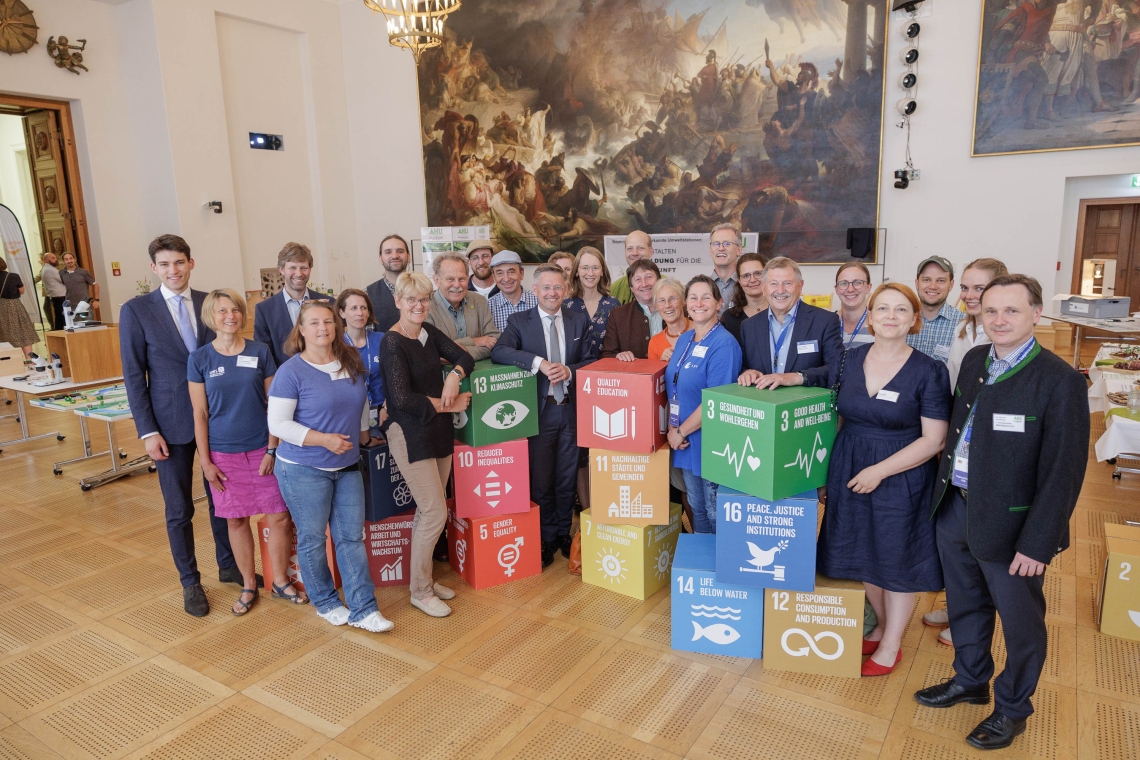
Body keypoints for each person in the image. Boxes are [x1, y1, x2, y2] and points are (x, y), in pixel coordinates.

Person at [914, 275, 1088, 751]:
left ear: (1035, 314)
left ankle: (1012, 708)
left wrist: (1039, 541)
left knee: (1020, 622)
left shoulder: (1060, 381)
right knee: (966, 604)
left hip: (1014, 527)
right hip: (957, 508)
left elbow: (1064, 472)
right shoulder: (974, 360)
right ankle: (970, 681)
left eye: (1011, 311)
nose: (999, 320)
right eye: (990, 311)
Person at [816, 283, 951, 677]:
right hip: (850, 464)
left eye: (901, 310)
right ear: (870, 317)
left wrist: (880, 471)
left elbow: (934, 439)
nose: (891, 317)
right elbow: (838, 417)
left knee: (896, 558)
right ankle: (881, 624)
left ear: (914, 320)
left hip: (901, 474)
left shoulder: (929, 371)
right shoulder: (849, 359)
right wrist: (827, 473)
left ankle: (891, 645)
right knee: (861, 551)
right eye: (883, 309)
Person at [119, 235, 237, 617]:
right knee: (178, 509)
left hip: (217, 421)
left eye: (180, 263)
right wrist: (147, 431)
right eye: (166, 264)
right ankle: (190, 582)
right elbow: (134, 375)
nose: (174, 270)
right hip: (168, 426)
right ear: (154, 268)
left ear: (191, 263)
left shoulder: (210, 303)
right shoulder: (137, 310)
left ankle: (229, 564)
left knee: (223, 500)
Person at [267, 301, 391, 633]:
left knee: (351, 537)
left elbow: (362, 402)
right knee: (312, 538)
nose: (323, 328)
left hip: (348, 464)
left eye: (328, 322)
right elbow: (278, 424)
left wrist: (364, 435)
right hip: (302, 468)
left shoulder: (349, 360)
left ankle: (364, 609)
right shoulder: (290, 372)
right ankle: (326, 602)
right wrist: (324, 440)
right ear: (302, 331)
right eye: (314, 323)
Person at [188, 289, 306, 615]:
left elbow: (274, 406)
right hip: (223, 456)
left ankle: (280, 581)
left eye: (236, 310)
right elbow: (199, 414)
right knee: (236, 522)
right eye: (223, 311)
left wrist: (272, 448)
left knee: (280, 517)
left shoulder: (260, 351)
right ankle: (248, 584)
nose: (230, 316)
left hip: (262, 450)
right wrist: (206, 461)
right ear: (211, 317)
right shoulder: (199, 360)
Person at [380, 272, 475, 617]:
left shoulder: (428, 332)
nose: (418, 305)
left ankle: (424, 579)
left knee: (429, 511)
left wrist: (453, 376)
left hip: (437, 430)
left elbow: (465, 358)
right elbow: (402, 399)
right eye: (411, 300)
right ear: (398, 302)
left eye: (423, 299)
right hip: (409, 433)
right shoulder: (392, 342)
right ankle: (420, 591)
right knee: (434, 511)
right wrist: (448, 403)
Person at [922, 258, 1007, 643]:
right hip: (958, 443)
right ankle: (960, 607)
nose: (971, 296)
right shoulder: (961, 328)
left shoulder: (999, 336)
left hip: (988, 452)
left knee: (982, 543)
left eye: (980, 289)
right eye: (967, 289)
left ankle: (971, 622)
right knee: (954, 539)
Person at [492, 264, 598, 566]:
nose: (552, 293)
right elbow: (500, 351)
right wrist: (538, 362)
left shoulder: (579, 321)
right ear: (535, 290)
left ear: (565, 290)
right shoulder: (518, 321)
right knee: (540, 480)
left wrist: (570, 371)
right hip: (538, 413)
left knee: (566, 479)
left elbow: (591, 361)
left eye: (558, 287)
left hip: (571, 412)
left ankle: (564, 532)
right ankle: (544, 536)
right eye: (546, 288)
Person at [666, 275, 741, 533]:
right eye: (693, 297)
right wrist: (673, 429)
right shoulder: (686, 340)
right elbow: (674, 386)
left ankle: (724, 569)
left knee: (715, 512)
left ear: (719, 303)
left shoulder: (724, 344)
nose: (699, 303)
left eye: (706, 297)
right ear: (686, 304)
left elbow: (716, 400)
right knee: (697, 508)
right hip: (685, 440)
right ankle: (704, 570)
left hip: (710, 443)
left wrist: (680, 432)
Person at [738, 256, 843, 390]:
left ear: (800, 285)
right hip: (763, 407)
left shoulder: (825, 321)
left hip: (804, 407)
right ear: (763, 288)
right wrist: (746, 373)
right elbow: (742, 367)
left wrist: (797, 377)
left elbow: (837, 368)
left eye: (787, 283)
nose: (780, 290)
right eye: (774, 283)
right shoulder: (748, 326)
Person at [254, 242, 334, 368]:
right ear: (281, 270)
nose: (299, 273)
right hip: (286, 380)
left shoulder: (328, 303)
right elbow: (265, 357)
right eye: (292, 268)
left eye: (304, 268)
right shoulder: (265, 310)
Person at [946, 258, 1009, 390]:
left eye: (979, 288)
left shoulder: (1005, 336)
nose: (968, 296)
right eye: (964, 288)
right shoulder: (960, 329)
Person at [425, 253, 500, 360]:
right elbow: (430, 351)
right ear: (437, 280)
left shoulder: (479, 301)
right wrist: (474, 341)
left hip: (478, 374)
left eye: (461, 279)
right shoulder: (425, 306)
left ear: (468, 278)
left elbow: (493, 342)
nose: (457, 285)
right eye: (450, 279)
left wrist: (456, 352)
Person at [337, 289, 385, 433]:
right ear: (342, 313)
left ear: (369, 312)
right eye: (353, 308)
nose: (360, 313)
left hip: (383, 413)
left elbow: (395, 377)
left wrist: (388, 406)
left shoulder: (382, 339)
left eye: (363, 308)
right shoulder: (336, 345)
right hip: (350, 417)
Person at [563, 246, 619, 359]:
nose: (590, 273)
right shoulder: (565, 306)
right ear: (577, 271)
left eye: (595, 268)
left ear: (602, 271)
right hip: (574, 373)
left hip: (606, 373)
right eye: (585, 268)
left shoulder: (614, 305)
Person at [601, 259, 662, 361]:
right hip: (636, 376)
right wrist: (618, 356)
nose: (644, 283)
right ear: (631, 288)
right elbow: (606, 355)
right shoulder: (618, 315)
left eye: (649, 277)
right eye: (638, 279)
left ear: (659, 281)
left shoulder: (675, 310)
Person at [907, 256, 962, 364]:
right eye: (926, 280)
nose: (933, 286)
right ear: (917, 283)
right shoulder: (901, 319)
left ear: (951, 285)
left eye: (941, 280)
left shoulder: (963, 324)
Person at [365, 234, 410, 331]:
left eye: (400, 251)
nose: (395, 256)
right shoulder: (367, 295)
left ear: (409, 256)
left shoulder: (423, 290)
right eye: (388, 252)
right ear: (380, 259)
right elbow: (368, 337)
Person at [720, 253, 768, 343]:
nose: (752, 280)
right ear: (739, 281)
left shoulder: (780, 313)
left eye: (757, 273)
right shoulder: (729, 318)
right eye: (746, 276)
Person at [488, 250, 537, 331]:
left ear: (521, 274)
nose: (506, 279)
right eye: (500, 273)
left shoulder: (539, 301)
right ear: (494, 277)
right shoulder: (488, 308)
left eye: (511, 272)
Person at [0, 259, 38, 359]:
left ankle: (9, 361)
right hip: (13, 306)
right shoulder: (13, 276)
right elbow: (21, 291)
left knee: (3, 334)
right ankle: (29, 359)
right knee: (23, 331)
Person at [834, 262, 874, 349]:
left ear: (868, 287)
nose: (850, 289)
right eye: (843, 283)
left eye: (857, 282)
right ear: (836, 289)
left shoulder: (880, 325)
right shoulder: (825, 324)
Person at [648, 277, 690, 362]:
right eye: (662, 300)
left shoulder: (701, 331)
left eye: (672, 299)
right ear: (656, 306)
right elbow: (655, 374)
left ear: (684, 300)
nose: (667, 305)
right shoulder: (655, 343)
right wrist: (662, 363)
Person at [610, 230, 653, 304]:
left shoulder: (666, 285)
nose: (635, 253)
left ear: (650, 251)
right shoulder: (614, 289)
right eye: (630, 248)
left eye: (640, 248)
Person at [709, 222, 742, 315]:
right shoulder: (703, 287)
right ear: (710, 250)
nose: (721, 248)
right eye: (716, 244)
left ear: (739, 250)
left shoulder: (748, 285)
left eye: (727, 244)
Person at [40, 252, 66, 330]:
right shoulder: (50, 270)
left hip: (56, 295)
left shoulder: (46, 268)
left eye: (55, 257)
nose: (56, 260)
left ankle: (59, 332)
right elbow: (63, 279)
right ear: (47, 260)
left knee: (59, 317)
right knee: (63, 317)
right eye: (53, 258)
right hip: (59, 296)